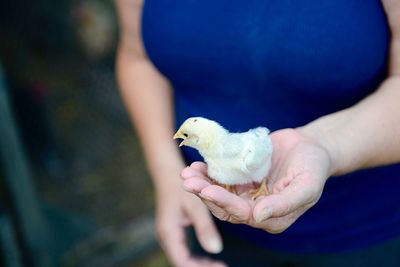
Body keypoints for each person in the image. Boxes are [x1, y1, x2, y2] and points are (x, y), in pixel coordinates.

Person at [115, 0, 400, 266]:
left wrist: (324, 145)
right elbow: (137, 54)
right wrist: (166, 170)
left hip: (367, 232)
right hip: (219, 220)